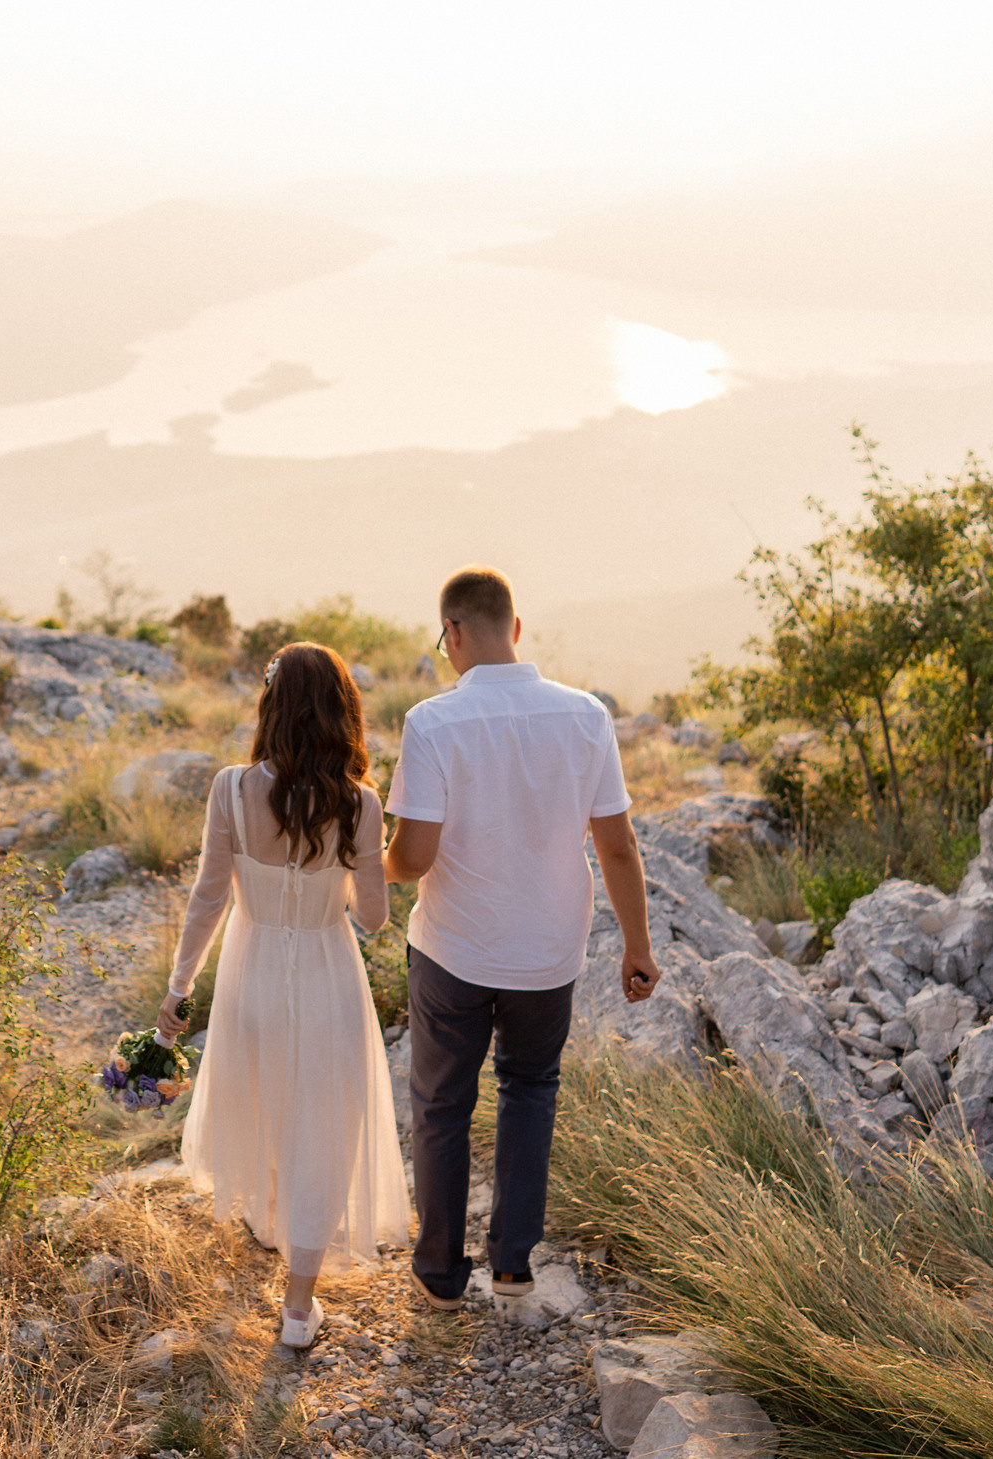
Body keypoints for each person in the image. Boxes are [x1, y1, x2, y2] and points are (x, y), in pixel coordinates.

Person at [380, 566, 659, 1310]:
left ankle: (440, 1275)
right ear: (518, 627)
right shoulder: (586, 715)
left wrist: (372, 863)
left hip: (454, 948)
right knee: (530, 1089)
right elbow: (619, 845)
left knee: (441, 1102)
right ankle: (511, 1267)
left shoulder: (432, 722)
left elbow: (413, 859)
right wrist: (638, 945)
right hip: (548, 950)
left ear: (454, 633)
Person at [158, 642, 410, 1350]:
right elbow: (372, 917)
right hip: (327, 974)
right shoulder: (358, 801)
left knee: (264, 1103)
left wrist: (180, 986)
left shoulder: (230, 789)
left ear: (270, 703)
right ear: (341, 710)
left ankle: (270, 1235)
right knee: (324, 1128)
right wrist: (369, 851)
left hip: (252, 970)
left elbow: (208, 898)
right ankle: (298, 1309)